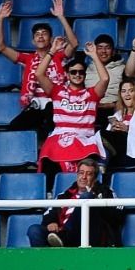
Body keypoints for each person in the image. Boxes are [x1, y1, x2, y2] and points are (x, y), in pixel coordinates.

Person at [0, 0, 78, 136]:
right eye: (37, 34)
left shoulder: (59, 56)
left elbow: (74, 44)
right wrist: (0, 20)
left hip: (57, 106)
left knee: (48, 124)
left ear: (51, 39)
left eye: (44, 34)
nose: (40, 36)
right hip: (35, 106)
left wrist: (61, 17)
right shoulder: (27, 59)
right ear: (33, 41)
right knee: (13, 127)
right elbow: (1, 47)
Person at [35, 46, 107, 180]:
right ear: (67, 75)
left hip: (84, 137)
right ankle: (51, 194)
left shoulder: (92, 94)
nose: (77, 75)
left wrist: (94, 56)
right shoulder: (57, 91)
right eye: (73, 72)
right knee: (48, 157)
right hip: (59, 137)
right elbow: (39, 74)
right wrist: (52, 51)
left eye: (81, 72)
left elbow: (104, 79)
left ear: (85, 75)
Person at [32, 158, 119, 247]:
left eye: (89, 174)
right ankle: (44, 260)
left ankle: (63, 238)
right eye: (81, 173)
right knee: (34, 230)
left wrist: (97, 199)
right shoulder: (64, 195)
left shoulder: (105, 192)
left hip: (89, 235)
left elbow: (118, 213)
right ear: (77, 175)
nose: (84, 177)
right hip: (60, 234)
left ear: (95, 178)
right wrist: (51, 222)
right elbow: (48, 213)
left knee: (86, 198)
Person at [86, 34, 125, 128]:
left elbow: (129, 93)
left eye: (107, 48)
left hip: (113, 108)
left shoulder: (123, 69)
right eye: (100, 48)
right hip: (90, 107)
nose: (103, 51)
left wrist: (113, 105)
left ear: (113, 52)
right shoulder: (85, 69)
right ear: (95, 50)